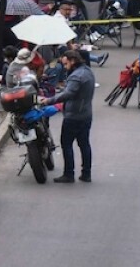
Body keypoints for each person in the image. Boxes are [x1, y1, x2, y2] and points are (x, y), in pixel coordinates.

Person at [41, 49, 96, 182]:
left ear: (73, 61)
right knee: (84, 144)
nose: (65, 67)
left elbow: (68, 94)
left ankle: (69, 173)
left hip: (74, 116)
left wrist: (49, 100)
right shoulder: (88, 71)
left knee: (66, 144)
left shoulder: (76, 76)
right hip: (86, 114)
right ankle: (86, 173)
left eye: (66, 64)